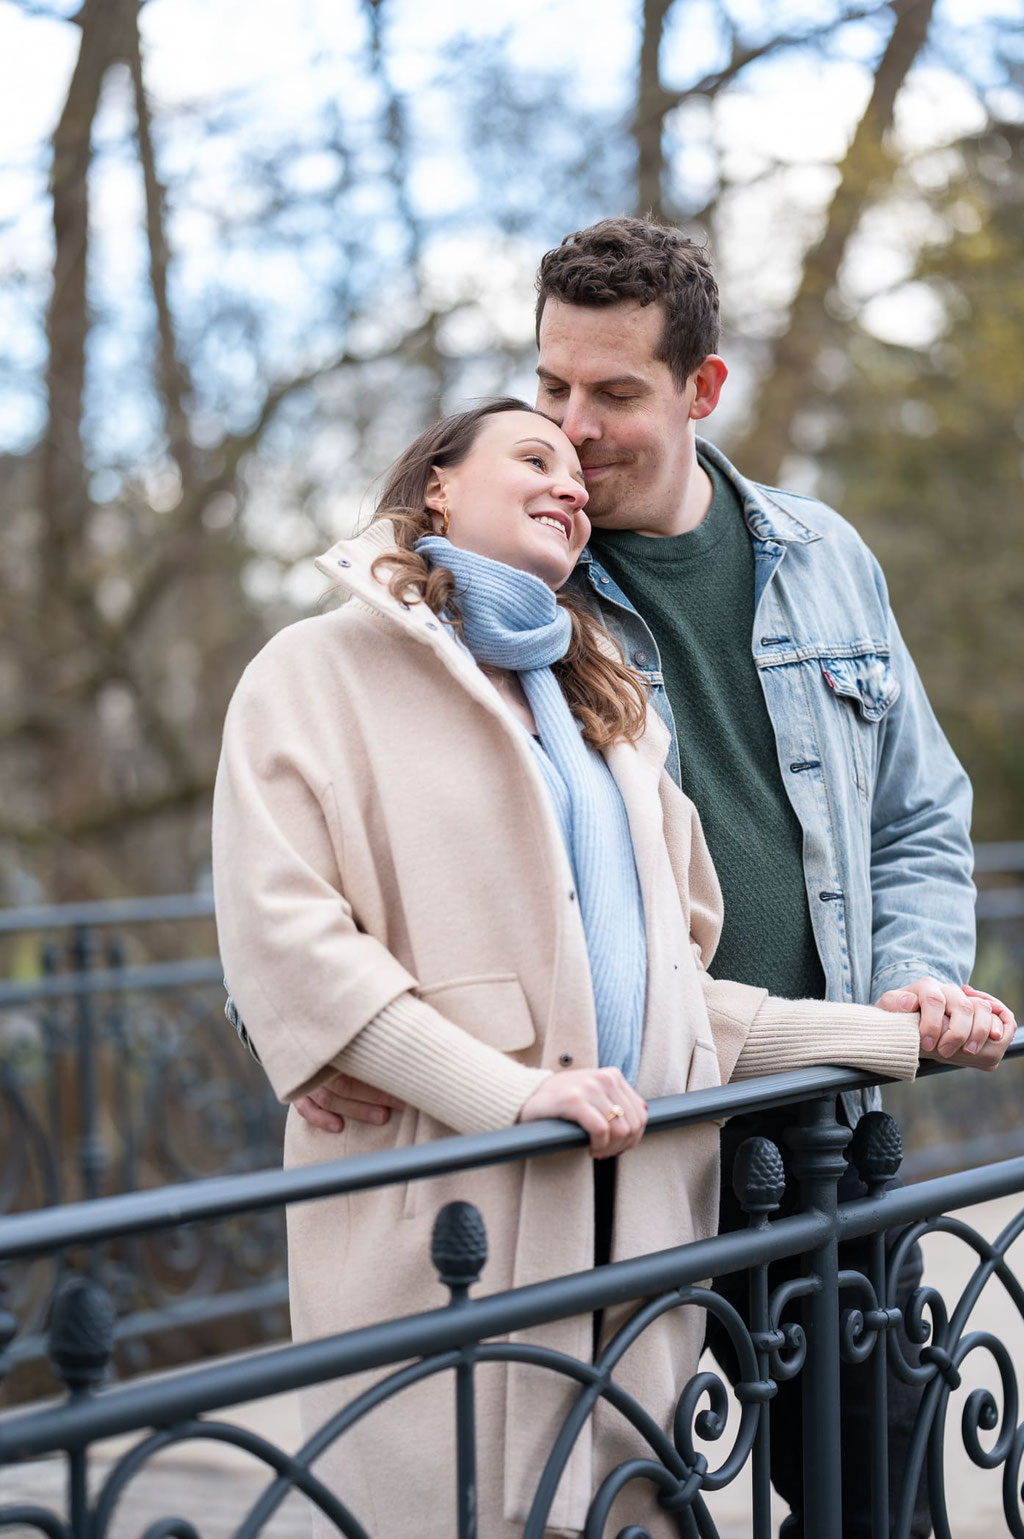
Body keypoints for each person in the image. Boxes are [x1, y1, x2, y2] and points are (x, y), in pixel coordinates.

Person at [284, 219, 1013, 1538]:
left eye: (616, 394)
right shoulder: (514, 586)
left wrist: (914, 978)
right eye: (552, 386)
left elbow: (920, 815)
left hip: (817, 1112)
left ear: (702, 389)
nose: (575, 428)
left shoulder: (825, 559)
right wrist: (295, 1029)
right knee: (609, 1504)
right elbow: (357, 827)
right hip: (615, 1142)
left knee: (886, 1495)